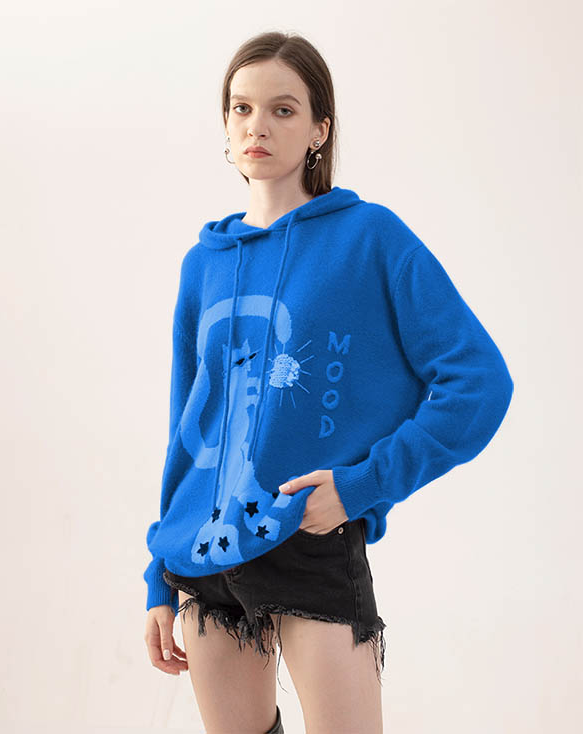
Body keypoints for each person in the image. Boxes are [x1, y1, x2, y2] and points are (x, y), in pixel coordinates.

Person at [143, 30, 514, 734]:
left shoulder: (370, 237)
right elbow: (188, 429)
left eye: (282, 110)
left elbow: (479, 383)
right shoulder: (204, 263)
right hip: (203, 557)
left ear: (320, 128)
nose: (257, 126)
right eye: (242, 108)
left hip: (310, 540)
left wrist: (362, 485)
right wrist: (156, 577)